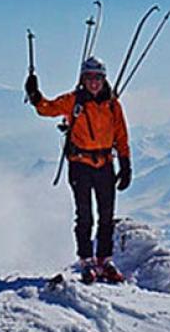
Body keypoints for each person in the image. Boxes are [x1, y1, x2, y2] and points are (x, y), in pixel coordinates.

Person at [26, 56, 132, 283]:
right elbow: (48, 109)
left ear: (104, 79)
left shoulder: (113, 105)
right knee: (85, 216)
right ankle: (86, 261)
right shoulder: (74, 101)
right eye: (90, 77)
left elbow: (121, 135)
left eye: (98, 77)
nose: (94, 82)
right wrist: (35, 96)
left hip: (105, 165)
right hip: (80, 165)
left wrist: (125, 163)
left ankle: (104, 261)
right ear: (84, 79)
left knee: (106, 216)